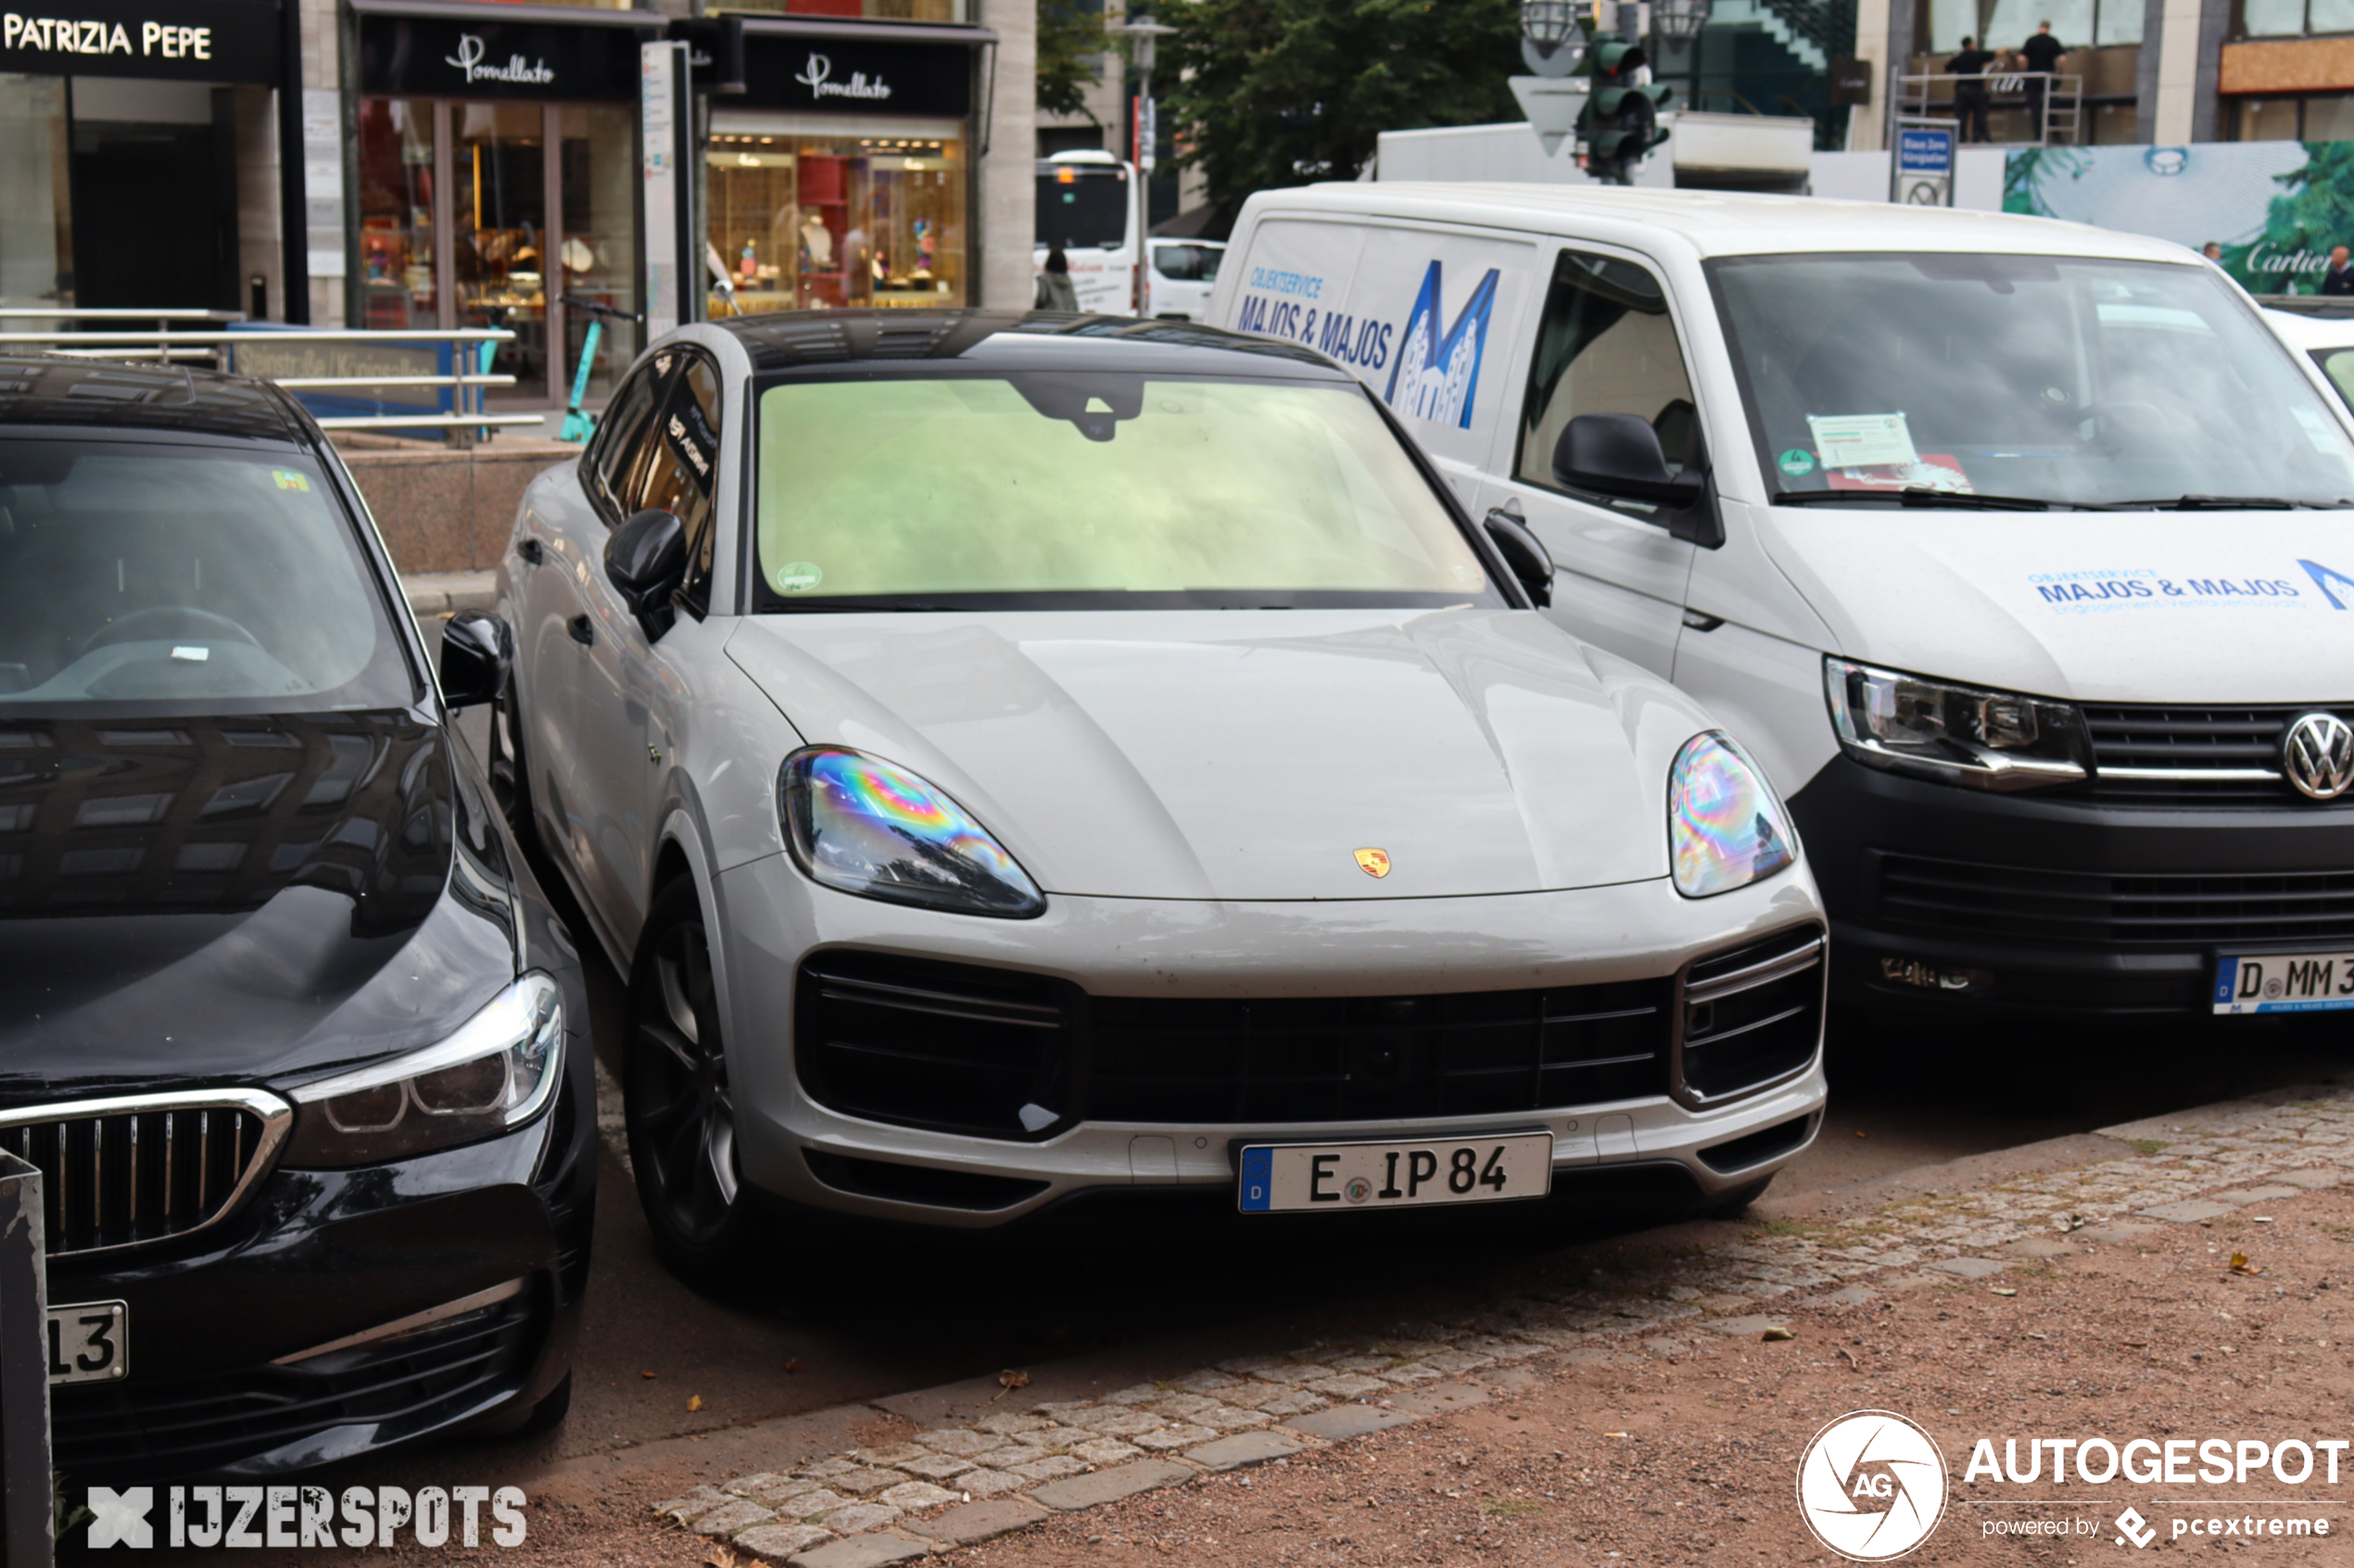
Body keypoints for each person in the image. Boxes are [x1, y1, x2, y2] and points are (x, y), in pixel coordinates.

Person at [2019, 20, 2067, 143]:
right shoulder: (2053, 41)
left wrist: (2024, 73)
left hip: (2033, 76)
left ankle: (2038, 135)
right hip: (2048, 76)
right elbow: (2062, 59)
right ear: (2049, 28)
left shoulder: (2031, 41)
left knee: (2035, 108)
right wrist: (2059, 73)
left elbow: (2021, 59)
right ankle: (2056, 136)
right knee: (2051, 106)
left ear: (2039, 27)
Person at [1948, 36, 1995, 144]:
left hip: (1961, 90)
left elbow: (1945, 68)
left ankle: (1961, 137)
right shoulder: (1977, 55)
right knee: (1979, 114)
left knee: (1961, 115)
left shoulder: (1959, 58)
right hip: (1976, 89)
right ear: (1971, 44)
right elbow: (1994, 54)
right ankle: (1978, 136)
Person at [1035, 244, 1080, 310]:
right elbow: (1073, 303)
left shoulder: (1044, 280)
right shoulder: (1068, 280)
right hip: (1069, 318)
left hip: (1051, 318)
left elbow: (1041, 300)